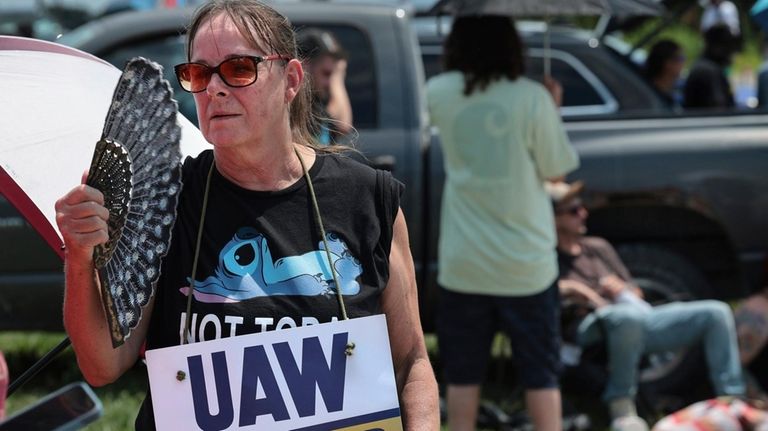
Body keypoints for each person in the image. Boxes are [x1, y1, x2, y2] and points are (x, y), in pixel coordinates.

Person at [53, 1, 439, 429]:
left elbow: (411, 363)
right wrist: (80, 254)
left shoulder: (367, 199)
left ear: (291, 79)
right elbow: (103, 364)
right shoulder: (167, 199)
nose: (214, 89)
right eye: (199, 74)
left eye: (238, 69)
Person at [426, 15, 580, 431]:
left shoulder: (438, 92)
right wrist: (552, 107)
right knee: (540, 374)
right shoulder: (531, 97)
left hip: (464, 262)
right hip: (526, 264)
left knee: (462, 375)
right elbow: (555, 171)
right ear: (512, 46)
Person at [549, 180, 746, 431]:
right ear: (554, 219)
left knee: (716, 312)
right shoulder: (547, 256)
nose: (583, 213)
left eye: (582, 207)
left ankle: (732, 401)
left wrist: (623, 289)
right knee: (624, 317)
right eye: (573, 210)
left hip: (634, 318)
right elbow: (539, 294)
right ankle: (621, 404)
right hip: (589, 328)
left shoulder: (597, 247)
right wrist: (577, 290)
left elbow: (635, 290)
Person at [297, 27, 353, 145]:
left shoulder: (319, 102)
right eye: (326, 73)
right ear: (305, 67)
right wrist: (337, 76)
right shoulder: (295, 105)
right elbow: (342, 124)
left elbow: (343, 126)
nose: (330, 83)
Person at [683, 24, 737, 109]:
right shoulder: (707, 72)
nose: (731, 51)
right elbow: (719, 108)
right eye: (728, 45)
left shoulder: (706, 67)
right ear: (717, 46)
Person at [644, 39, 685, 109]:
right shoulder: (648, 96)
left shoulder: (677, 90)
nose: (683, 62)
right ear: (667, 63)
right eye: (680, 58)